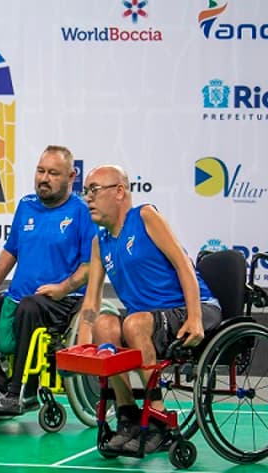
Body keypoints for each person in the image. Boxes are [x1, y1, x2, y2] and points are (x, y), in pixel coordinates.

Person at [76, 165, 222, 453]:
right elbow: (91, 301)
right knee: (104, 325)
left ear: (119, 192)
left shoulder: (145, 217)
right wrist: (83, 345)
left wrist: (194, 318)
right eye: (86, 192)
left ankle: (157, 417)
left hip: (194, 307)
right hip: (146, 319)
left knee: (134, 323)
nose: (88, 198)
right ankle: (128, 415)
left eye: (94, 190)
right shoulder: (99, 242)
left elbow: (183, 265)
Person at [0, 145, 105, 412]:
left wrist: (63, 288)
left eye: (53, 173)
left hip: (62, 300)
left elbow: (90, 265)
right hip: (20, 298)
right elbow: (11, 250)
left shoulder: (83, 212)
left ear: (71, 177)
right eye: (41, 171)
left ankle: (21, 391)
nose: (44, 178)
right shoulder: (26, 205)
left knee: (30, 307)